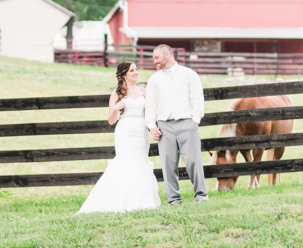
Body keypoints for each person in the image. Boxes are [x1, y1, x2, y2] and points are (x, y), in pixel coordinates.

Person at [77, 62, 161, 214]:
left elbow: (150, 113)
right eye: (132, 70)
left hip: (141, 133)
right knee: (125, 162)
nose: (136, 72)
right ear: (124, 75)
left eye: (136, 70)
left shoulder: (143, 91)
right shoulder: (116, 93)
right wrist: (116, 107)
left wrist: (153, 127)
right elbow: (111, 120)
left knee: (140, 161)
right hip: (125, 132)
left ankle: (142, 200)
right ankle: (118, 199)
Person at [145, 44, 208, 205]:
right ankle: (173, 199)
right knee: (168, 165)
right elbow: (151, 104)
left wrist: (195, 120)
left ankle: (201, 196)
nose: (154, 61)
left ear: (167, 55)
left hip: (187, 123)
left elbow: (197, 98)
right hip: (164, 126)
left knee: (194, 161)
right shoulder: (154, 79)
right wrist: (152, 126)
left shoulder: (189, 74)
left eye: (156, 57)